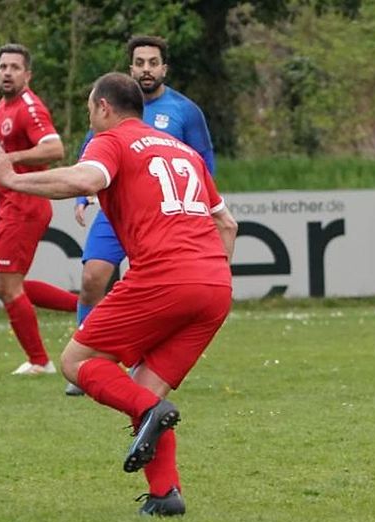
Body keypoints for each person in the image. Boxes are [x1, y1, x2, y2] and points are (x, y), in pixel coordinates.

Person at [0, 72, 237, 516]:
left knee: (77, 362)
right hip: (215, 284)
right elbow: (227, 224)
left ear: (103, 107)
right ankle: (165, 496)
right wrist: (207, 271)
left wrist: (11, 176)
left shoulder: (114, 140)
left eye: (88, 108)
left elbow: (84, 181)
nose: (89, 117)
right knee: (143, 387)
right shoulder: (183, 150)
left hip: (164, 276)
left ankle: (151, 416)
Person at [65, 35, 217, 396]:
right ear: (131, 68)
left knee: (153, 285)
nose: (146, 69)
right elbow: (91, 158)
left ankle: (132, 362)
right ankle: (92, 361)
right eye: (140, 62)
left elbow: (203, 162)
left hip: (165, 217)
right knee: (92, 277)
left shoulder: (185, 110)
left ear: (164, 67)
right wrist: (85, 197)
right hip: (117, 209)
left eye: (153, 62)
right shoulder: (112, 110)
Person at [0, 43, 78, 376]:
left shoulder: (29, 107)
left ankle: (40, 362)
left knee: (8, 287)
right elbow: (3, 149)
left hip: (25, 204)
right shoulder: (3, 106)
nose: (7, 73)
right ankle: (87, 308)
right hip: (10, 201)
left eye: (14, 67)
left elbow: (55, 148)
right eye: (2, 67)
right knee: (5, 285)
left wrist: (10, 162)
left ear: (27, 74)